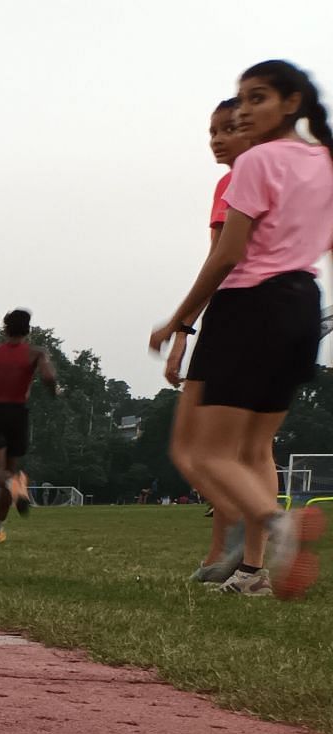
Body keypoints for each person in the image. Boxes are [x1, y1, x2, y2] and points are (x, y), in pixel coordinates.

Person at [154, 61, 332, 597]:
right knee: (256, 451)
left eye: (257, 98)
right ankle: (252, 567)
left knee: (204, 453)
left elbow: (228, 253)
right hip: (302, 305)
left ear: (291, 102)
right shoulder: (324, 161)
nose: (246, 110)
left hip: (248, 307)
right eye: (242, 100)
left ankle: (275, 528)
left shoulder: (256, 162)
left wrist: (180, 319)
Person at [167, 98, 256, 581]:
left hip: (242, 313)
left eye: (228, 129)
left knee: (213, 442)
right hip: (261, 313)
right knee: (245, 442)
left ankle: (237, 547)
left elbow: (221, 261)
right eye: (212, 132)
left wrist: (181, 327)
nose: (217, 140)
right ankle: (232, 556)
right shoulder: (252, 182)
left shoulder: (239, 182)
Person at [0, 309, 61, 544]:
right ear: (28, 330)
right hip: (18, 415)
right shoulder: (36, 353)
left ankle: (13, 485)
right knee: (9, 469)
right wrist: (54, 391)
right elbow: (49, 377)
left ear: (5, 328)